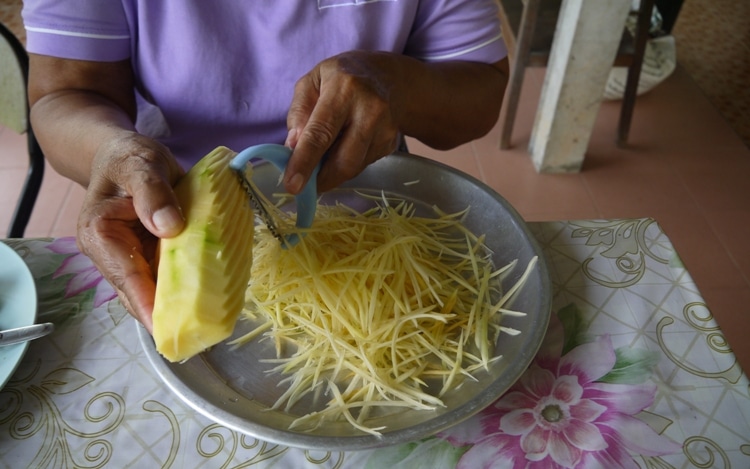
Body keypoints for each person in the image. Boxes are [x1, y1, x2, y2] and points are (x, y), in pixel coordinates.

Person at [22, 1, 509, 332]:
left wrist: (401, 86)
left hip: (373, 208)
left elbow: (481, 90)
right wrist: (114, 151)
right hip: (177, 216)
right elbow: (65, 94)